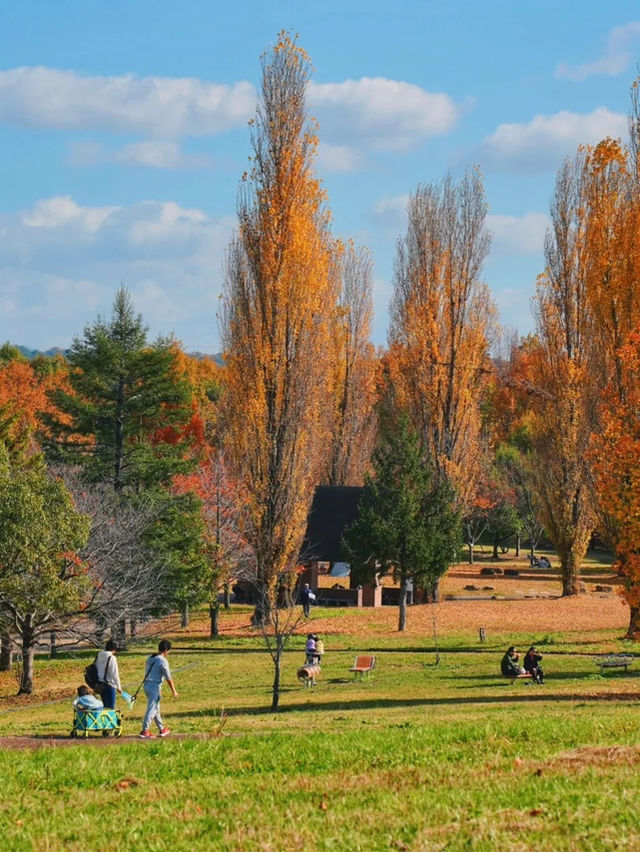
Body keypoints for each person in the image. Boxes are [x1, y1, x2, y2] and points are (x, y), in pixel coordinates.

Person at [139, 639, 178, 739]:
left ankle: (161, 728)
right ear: (165, 650)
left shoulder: (150, 658)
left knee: (156, 708)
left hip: (147, 685)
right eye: (168, 651)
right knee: (152, 708)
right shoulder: (163, 661)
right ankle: (144, 730)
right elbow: (168, 677)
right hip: (154, 686)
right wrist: (174, 690)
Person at [95, 639, 122, 709]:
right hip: (110, 684)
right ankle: (111, 719)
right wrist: (119, 687)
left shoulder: (99, 655)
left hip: (100, 683)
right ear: (114, 649)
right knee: (111, 707)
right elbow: (114, 674)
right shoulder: (112, 658)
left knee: (105, 706)